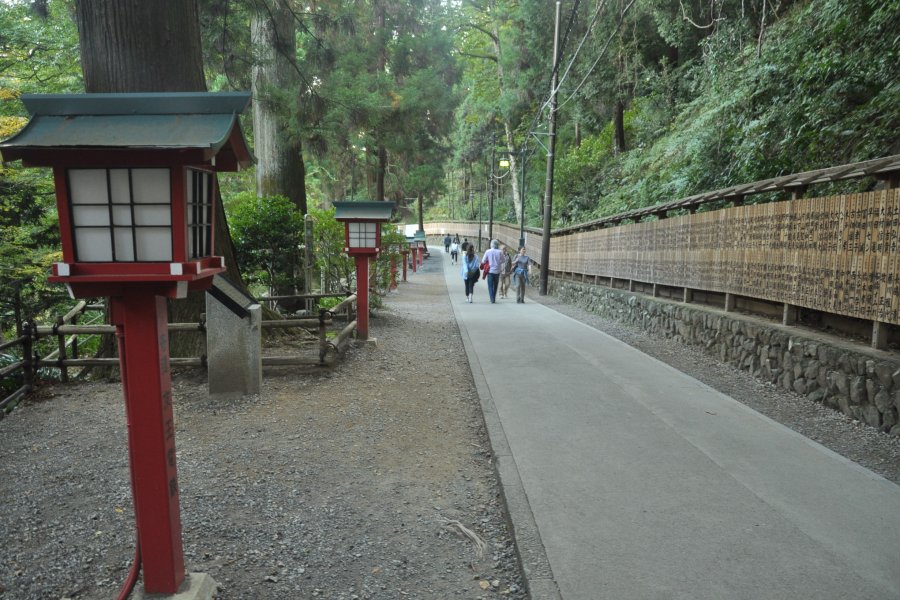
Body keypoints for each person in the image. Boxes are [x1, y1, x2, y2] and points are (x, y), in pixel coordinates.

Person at [480, 239, 504, 304]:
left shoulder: (488, 251)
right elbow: (503, 260)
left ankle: (492, 298)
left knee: (490, 285)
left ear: (491, 244)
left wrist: (488, 261)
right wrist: (498, 262)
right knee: (495, 285)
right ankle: (494, 297)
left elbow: (483, 260)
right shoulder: (500, 252)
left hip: (490, 270)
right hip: (497, 271)